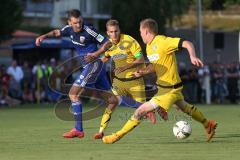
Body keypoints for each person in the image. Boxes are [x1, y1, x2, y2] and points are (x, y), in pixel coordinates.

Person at [102, 18, 217, 144]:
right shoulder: (149, 47)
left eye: (140, 32)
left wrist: (192, 56)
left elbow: (187, 43)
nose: (140, 34)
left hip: (169, 89)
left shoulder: (163, 41)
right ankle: (207, 124)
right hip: (164, 88)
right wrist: (142, 72)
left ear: (146, 31)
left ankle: (117, 136)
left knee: (140, 111)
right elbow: (155, 66)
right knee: (184, 107)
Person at [36, 9, 116, 139]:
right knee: (112, 99)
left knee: (73, 94)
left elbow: (108, 42)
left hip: (93, 65)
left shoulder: (89, 30)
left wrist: (95, 54)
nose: (78, 25)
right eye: (75, 23)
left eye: (80, 21)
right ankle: (145, 108)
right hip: (96, 68)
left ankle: (78, 129)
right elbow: (57, 32)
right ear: (69, 22)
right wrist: (43, 36)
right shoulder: (68, 29)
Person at [94, 20, 158, 139]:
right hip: (119, 82)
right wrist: (96, 66)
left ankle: (150, 110)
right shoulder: (108, 45)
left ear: (120, 30)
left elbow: (140, 58)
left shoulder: (129, 41)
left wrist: (125, 67)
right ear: (108, 33)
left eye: (116, 31)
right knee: (111, 104)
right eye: (111, 32)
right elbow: (106, 57)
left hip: (135, 80)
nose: (114, 34)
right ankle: (101, 131)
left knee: (140, 111)